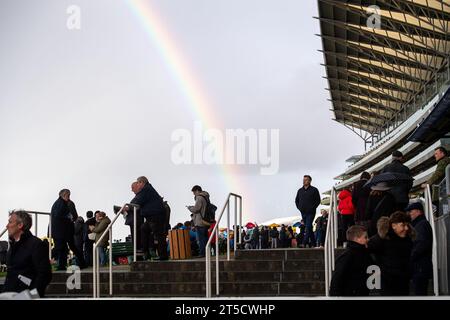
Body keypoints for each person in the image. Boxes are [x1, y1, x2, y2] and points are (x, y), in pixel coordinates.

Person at [2, 210, 52, 297]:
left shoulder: (36, 244)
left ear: (20, 225)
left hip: (26, 296)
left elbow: (45, 275)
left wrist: (31, 295)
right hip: (8, 295)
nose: (7, 226)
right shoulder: (12, 247)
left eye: (10, 222)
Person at [368, 211, 415, 296]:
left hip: (404, 281)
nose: (406, 228)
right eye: (403, 225)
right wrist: (380, 266)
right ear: (393, 226)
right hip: (388, 284)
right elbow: (367, 249)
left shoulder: (408, 239)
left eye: (407, 225)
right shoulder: (382, 239)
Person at [126, 176, 168, 261]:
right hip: (151, 217)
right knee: (144, 229)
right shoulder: (147, 189)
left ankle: (162, 256)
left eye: (138, 183)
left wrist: (127, 207)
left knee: (159, 235)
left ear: (142, 182)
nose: (137, 185)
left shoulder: (146, 190)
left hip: (156, 215)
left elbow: (136, 201)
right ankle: (146, 252)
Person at [330, 225, 373, 296]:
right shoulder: (347, 256)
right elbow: (336, 280)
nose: (368, 239)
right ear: (356, 239)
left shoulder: (364, 253)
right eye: (365, 237)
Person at [50, 189, 86, 270]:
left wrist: (70, 217)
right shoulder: (63, 203)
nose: (69, 197)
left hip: (63, 230)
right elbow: (59, 215)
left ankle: (62, 265)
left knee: (63, 247)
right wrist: (69, 217)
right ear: (64, 195)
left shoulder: (61, 203)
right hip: (62, 230)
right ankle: (59, 264)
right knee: (62, 247)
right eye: (68, 195)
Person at [406, 202, 433, 296]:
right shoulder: (420, 224)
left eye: (411, 211)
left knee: (420, 293)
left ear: (418, 211)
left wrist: (411, 256)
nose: (409, 213)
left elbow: (422, 244)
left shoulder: (421, 224)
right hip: (420, 265)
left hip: (420, 266)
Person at [295, 175, 321, 248]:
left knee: (308, 226)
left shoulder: (314, 190)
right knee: (309, 228)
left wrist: (312, 208)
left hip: (311, 212)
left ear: (309, 181)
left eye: (306, 180)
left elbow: (318, 200)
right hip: (303, 212)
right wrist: (299, 208)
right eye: (303, 179)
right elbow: (296, 201)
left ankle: (304, 243)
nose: (304, 181)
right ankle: (313, 243)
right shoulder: (300, 190)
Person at [188, 185, 211, 257]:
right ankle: (207, 253)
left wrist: (190, 208)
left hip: (200, 221)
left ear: (197, 190)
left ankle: (202, 253)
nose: (194, 194)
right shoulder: (206, 197)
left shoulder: (199, 197)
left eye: (194, 192)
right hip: (205, 220)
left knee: (201, 239)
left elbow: (196, 209)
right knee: (205, 238)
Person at [124, 182, 144, 253]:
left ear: (138, 186)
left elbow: (137, 207)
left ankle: (139, 254)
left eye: (133, 188)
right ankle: (137, 253)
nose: (132, 190)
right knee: (135, 239)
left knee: (137, 238)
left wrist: (127, 208)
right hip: (134, 220)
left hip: (137, 221)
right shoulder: (137, 196)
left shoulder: (140, 196)